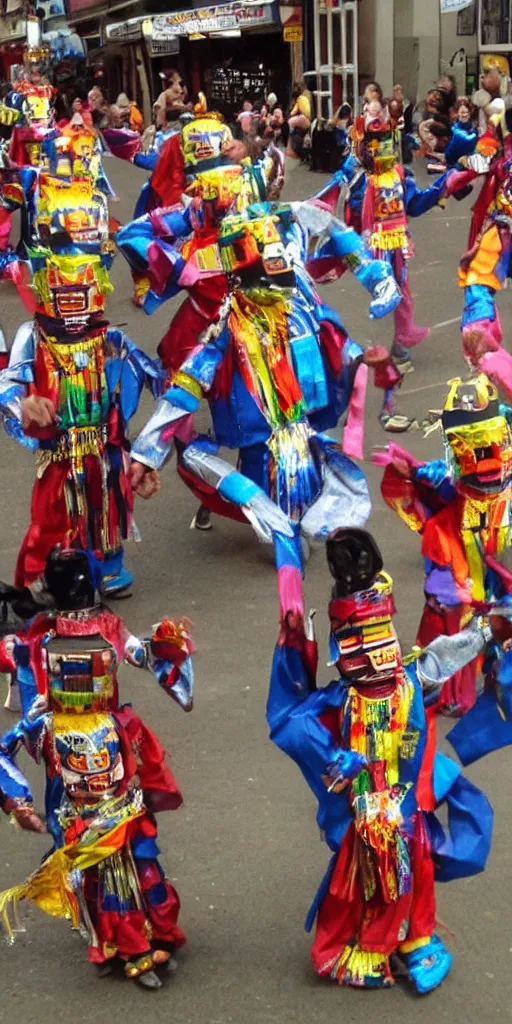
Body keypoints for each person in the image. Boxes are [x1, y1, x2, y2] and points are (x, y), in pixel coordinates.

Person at [267, 526, 493, 992]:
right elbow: (290, 722)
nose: (374, 655)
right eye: (357, 646)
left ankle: (417, 941)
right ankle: (365, 952)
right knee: (364, 885)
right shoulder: (336, 704)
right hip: (366, 815)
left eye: (381, 639)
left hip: (408, 806)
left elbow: (448, 655)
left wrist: (492, 629)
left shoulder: (410, 680)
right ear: (340, 650)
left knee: (419, 870)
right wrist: (338, 760)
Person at [0, 547, 194, 989]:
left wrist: (167, 642)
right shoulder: (49, 638)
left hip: (103, 750)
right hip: (82, 753)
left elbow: (145, 653)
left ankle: (147, 934)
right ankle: (130, 944)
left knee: (133, 855)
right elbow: (145, 656)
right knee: (109, 859)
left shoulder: (49, 637)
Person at [375, 373, 512, 715]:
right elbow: (420, 483)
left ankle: (493, 677)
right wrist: (409, 470)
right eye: (466, 442)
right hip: (464, 546)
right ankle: (451, 686)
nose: (481, 453)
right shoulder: (450, 478)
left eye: (487, 438)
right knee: (453, 614)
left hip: (502, 532)